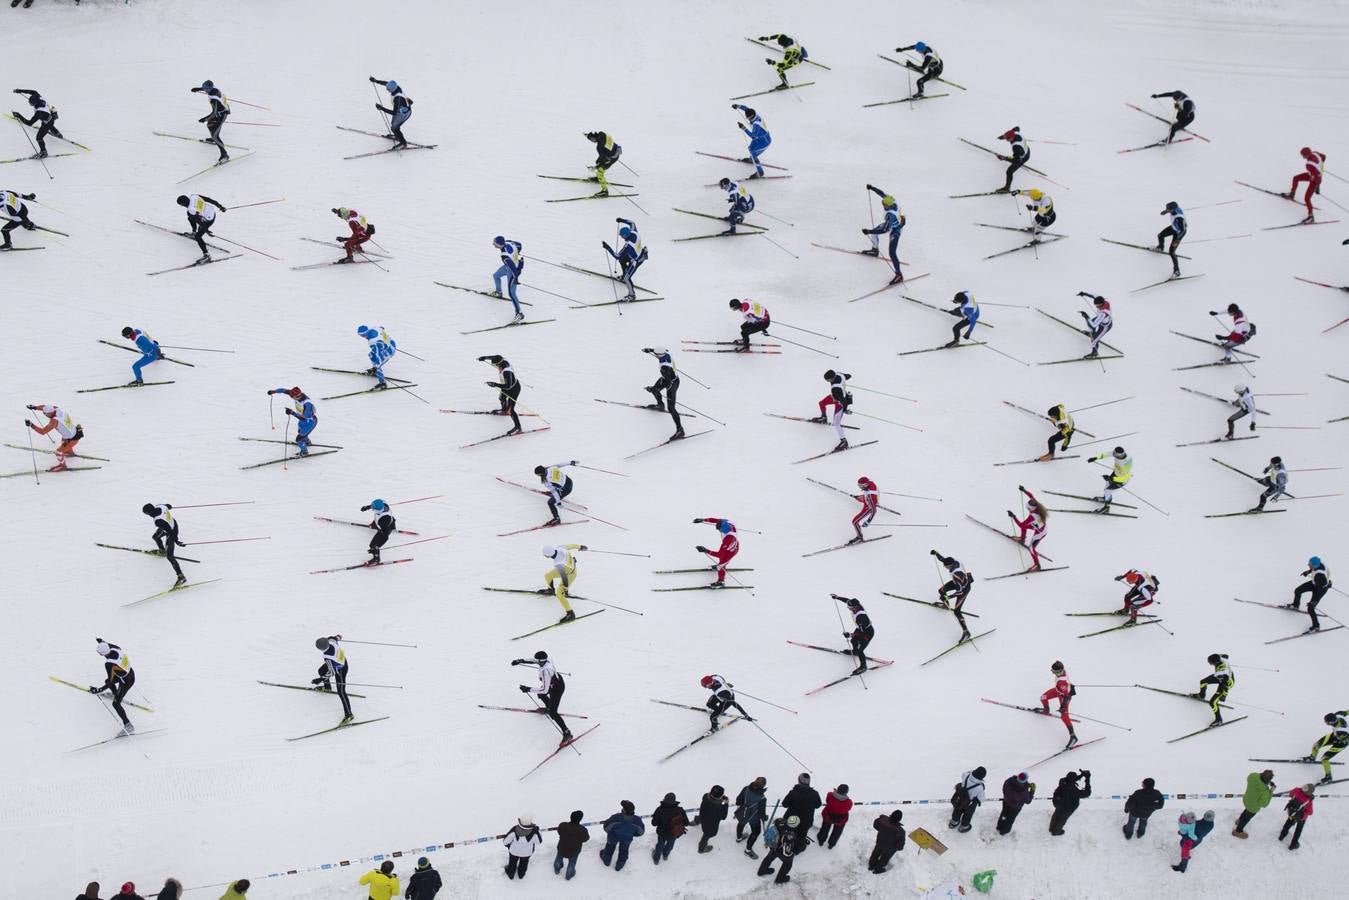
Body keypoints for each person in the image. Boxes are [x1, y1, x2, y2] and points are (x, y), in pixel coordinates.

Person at [518, 649, 572, 741]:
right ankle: (549, 707)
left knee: (553, 713)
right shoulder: (547, 659)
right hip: (555, 682)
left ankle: (567, 733)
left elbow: (544, 690)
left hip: (557, 689)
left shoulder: (545, 671)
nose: (535, 661)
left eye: (537, 660)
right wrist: (521, 660)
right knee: (541, 695)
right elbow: (534, 660)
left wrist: (528, 689)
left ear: (541, 661)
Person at [90, 638, 136, 733]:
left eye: (99, 653)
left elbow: (110, 682)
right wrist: (101, 641)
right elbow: (107, 644)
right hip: (130, 673)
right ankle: (116, 694)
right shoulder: (115, 648)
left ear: (102, 654)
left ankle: (128, 725)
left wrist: (99, 690)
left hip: (126, 681)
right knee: (107, 680)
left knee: (115, 704)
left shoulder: (109, 664)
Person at [862, 185, 905, 281]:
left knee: (892, 252)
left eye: (884, 205)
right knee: (874, 233)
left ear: (888, 205)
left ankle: (899, 275)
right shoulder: (891, 200)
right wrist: (872, 188)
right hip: (892, 224)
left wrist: (869, 231)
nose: (883, 205)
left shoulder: (890, 215)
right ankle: (875, 250)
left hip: (895, 229)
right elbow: (881, 193)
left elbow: (885, 229)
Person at [24, 403, 83, 471]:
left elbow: (43, 432)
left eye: (45, 414)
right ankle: (69, 452)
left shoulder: (54, 421)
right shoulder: (57, 409)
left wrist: (31, 425)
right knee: (63, 441)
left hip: (72, 439)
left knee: (58, 452)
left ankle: (63, 466)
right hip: (75, 431)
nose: (45, 415)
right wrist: (35, 407)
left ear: (49, 413)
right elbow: (44, 407)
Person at [932, 550, 975, 641]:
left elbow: (960, 591)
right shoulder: (955, 561)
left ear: (950, 565)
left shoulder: (956, 574)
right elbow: (944, 559)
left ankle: (966, 632)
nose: (944, 566)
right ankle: (945, 605)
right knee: (941, 590)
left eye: (945, 566)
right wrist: (936, 553)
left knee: (957, 611)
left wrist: (948, 597)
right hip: (959, 583)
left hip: (964, 589)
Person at [641, 347, 683, 440]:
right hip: (667, 378)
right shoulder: (667, 352)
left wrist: (651, 389)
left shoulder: (665, 367)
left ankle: (680, 430)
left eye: (656, 354)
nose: (655, 354)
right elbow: (663, 350)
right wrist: (650, 350)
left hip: (672, 383)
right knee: (655, 389)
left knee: (671, 408)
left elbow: (668, 381)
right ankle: (660, 405)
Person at [142, 501, 186, 586]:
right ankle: (162, 551)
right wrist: (168, 508)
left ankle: (181, 577)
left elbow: (169, 531)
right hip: (170, 524)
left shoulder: (157, 520)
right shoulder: (160, 506)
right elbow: (169, 505)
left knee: (170, 556)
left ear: (149, 513)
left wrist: (176, 541)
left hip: (172, 531)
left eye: (146, 514)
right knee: (155, 537)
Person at [603, 218, 647, 301]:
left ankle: (632, 295)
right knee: (622, 260)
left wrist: (608, 248)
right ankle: (623, 276)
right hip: (638, 253)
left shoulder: (629, 246)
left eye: (621, 235)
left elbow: (617, 256)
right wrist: (621, 220)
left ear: (625, 235)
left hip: (636, 260)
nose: (620, 237)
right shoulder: (634, 232)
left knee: (627, 278)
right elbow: (632, 223)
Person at [540, 545, 586, 624]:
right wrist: (580, 547)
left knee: (559, 594)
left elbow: (564, 578)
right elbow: (571, 545)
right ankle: (550, 590)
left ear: (547, 556)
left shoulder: (558, 563)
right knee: (548, 575)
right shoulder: (560, 547)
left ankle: (570, 614)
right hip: (566, 568)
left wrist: (564, 589)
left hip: (570, 574)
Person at [12, 88, 64, 157]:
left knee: (39, 138)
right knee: (47, 122)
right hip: (51, 116)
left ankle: (43, 152)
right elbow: (32, 92)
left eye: (30, 103)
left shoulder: (39, 112)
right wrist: (20, 91)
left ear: (34, 103)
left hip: (47, 122)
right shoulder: (39, 97)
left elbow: (29, 123)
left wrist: (19, 116)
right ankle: (57, 133)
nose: (29, 103)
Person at [757, 813, 806, 884]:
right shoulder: (795, 833)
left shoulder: (780, 823)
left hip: (773, 846)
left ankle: (762, 871)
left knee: (768, 858)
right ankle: (780, 878)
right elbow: (799, 848)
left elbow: (776, 822)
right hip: (784, 852)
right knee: (787, 864)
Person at [267, 386, 318, 456]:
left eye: (292, 396)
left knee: (299, 439)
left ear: (297, 396)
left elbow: (304, 418)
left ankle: (304, 452)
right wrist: (274, 391)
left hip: (309, 422)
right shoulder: (295, 394)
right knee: (300, 432)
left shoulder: (307, 404)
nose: (291, 397)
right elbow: (283, 390)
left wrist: (292, 412)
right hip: (303, 420)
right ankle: (307, 442)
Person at [478, 354, 522, 434]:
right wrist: (485, 357)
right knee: (502, 398)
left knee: (511, 410)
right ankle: (504, 410)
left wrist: (494, 384)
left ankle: (518, 427)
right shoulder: (502, 361)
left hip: (514, 389)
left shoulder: (506, 372)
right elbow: (495, 357)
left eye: (495, 365)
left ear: (499, 364)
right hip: (506, 386)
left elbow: (509, 386)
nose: (496, 367)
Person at [1008, 485, 1049, 572]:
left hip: (1039, 533)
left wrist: (1013, 516)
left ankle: (1037, 565)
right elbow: (1031, 496)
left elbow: (1021, 525)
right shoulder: (1036, 504)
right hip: (1038, 527)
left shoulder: (1033, 516)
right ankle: (1022, 539)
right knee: (1025, 526)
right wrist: (1024, 490)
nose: (1028, 510)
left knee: (1031, 548)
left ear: (1031, 509)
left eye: (1028, 509)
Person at [313, 635, 353, 722]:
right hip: (339, 662)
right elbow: (335, 638)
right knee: (321, 670)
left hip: (341, 669)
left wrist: (320, 679)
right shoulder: (331, 641)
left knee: (341, 692)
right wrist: (338, 637)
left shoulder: (327, 657)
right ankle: (327, 687)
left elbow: (332, 672)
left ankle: (349, 714)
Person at [1039, 660, 1077, 747]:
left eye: (1055, 672)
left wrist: (1063, 707)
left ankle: (1073, 736)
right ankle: (1046, 710)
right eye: (1053, 672)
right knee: (1043, 697)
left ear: (1060, 671)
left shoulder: (1061, 682)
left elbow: (1067, 696)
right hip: (1058, 691)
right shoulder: (1061, 673)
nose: (1054, 674)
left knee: (1064, 716)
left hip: (1064, 697)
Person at [190, 79, 230, 162]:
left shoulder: (214, 99)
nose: (204, 90)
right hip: (221, 111)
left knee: (215, 135)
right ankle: (213, 139)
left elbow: (214, 113)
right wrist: (198, 89)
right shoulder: (213, 88)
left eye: (205, 89)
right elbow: (207, 88)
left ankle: (224, 155)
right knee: (210, 125)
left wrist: (204, 119)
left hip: (221, 115)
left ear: (209, 89)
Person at [176, 193, 224, 261]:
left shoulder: (191, 210)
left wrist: (206, 231)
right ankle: (194, 232)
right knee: (190, 218)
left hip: (208, 220)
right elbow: (209, 199)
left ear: (183, 204)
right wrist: (220, 206)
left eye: (181, 205)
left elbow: (200, 222)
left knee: (198, 236)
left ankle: (206, 255)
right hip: (212, 212)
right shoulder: (194, 196)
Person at [599, 800, 645, 871]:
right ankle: (620, 865)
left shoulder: (616, 817)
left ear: (624, 810)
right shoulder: (637, 820)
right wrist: (632, 834)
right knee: (624, 850)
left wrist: (610, 832)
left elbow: (606, 827)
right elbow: (641, 832)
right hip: (627, 838)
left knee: (609, 848)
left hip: (613, 837)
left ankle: (606, 860)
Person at [814, 369, 853, 452]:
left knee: (836, 423)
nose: (827, 381)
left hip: (840, 403)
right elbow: (848, 376)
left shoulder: (836, 389)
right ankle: (824, 417)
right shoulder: (839, 374)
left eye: (827, 380)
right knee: (822, 403)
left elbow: (843, 401)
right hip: (836, 397)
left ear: (831, 378)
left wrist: (845, 410)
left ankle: (844, 441)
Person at [692, 517, 738, 587]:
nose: (719, 530)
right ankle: (721, 566)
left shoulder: (728, 539)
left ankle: (721, 582)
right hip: (733, 546)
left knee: (721, 566)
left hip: (730, 552)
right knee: (722, 562)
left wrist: (706, 550)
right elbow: (716, 520)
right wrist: (703, 520)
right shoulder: (728, 523)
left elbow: (720, 554)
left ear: (723, 529)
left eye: (719, 529)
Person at [835, 595, 875, 675]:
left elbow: (861, 633)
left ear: (855, 607)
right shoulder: (856, 606)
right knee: (853, 640)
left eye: (850, 608)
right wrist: (837, 597)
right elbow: (847, 600)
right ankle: (854, 651)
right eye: (849, 607)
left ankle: (863, 666)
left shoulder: (861, 617)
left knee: (861, 650)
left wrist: (850, 634)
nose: (849, 609)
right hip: (860, 629)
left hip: (867, 633)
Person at [1285, 147, 1326, 222]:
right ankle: (1292, 194)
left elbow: (1316, 176)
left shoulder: (1309, 165)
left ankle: (1311, 217)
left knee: (1307, 198)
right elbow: (1324, 156)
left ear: (1307, 155)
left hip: (1314, 180)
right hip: (1313, 175)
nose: (1302, 157)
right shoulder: (1315, 153)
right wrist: (1321, 168)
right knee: (1295, 178)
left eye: (1303, 155)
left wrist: (1317, 186)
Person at [370, 77, 413, 149]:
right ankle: (397, 136)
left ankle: (403, 143)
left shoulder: (397, 99)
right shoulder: (396, 87)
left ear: (392, 89)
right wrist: (376, 81)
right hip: (400, 111)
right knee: (394, 125)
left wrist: (382, 108)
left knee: (395, 128)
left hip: (404, 113)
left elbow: (394, 113)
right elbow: (386, 83)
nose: (387, 90)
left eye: (388, 89)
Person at [1087, 446, 1133, 513]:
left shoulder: (1126, 463)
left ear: (1120, 455)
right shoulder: (1117, 454)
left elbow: (1125, 477)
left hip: (1121, 480)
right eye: (1114, 453)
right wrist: (1096, 458)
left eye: (1115, 454)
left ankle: (1106, 508)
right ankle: (1105, 498)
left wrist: (1111, 478)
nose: (1114, 455)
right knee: (1107, 484)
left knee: (1107, 491)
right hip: (1115, 473)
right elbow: (1107, 454)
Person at [1233, 769, 1275, 838]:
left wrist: (1265, 779)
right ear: (1267, 780)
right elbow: (1264, 804)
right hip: (1253, 807)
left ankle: (1239, 821)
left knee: (1246, 810)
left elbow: (1257, 777)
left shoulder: (1253, 776)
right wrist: (1270, 792)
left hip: (1247, 800)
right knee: (1246, 818)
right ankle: (1238, 831)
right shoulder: (1264, 791)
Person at [491, 235, 525, 320]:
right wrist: (516, 253)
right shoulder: (509, 242)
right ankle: (499, 292)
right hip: (508, 267)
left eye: (495, 243)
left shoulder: (504, 256)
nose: (493, 244)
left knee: (512, 293)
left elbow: (513, 267)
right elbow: (519, 245)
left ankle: (519, 313)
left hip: (513, 272)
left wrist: (516, 278)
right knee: (496, 276)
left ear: (499, 245)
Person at [732, 105, 772, 177]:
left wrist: (743, 128)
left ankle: (760, 172)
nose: (748, 119)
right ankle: (751, 160)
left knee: (753, 154)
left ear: (752, 116)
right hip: (760, 138)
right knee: (750, 148)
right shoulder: (755, 114)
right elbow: (746, 109)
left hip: (764, 142)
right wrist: (737, 106)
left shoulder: (756, 125)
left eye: (748, 118)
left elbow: (753, 136)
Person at [650, 792, 689, 864]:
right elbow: (686, 823)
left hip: (662, 833)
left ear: (664, 799)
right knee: (670, 844)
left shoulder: (659, 810)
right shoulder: (680, 810)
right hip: (674, 833)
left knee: (660, 845)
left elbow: (653, 823)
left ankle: (656, 859)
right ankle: (665, 855)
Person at [1196, 652, 1235, 726]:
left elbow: (1224, 685)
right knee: (1203, 682)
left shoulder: (1222, 673)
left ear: (1216, 662)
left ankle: (1218, 719)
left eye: (1211, 663)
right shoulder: (1221, 658)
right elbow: (1226, 655)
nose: (1210, 664)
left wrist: (1224, 695)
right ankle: (1201, 695)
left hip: (1226, 682)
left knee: (1212, 702)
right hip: (1221, 677)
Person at [1049, 769, 1091, 835]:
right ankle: (1056, 832)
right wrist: (1087, 779)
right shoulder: (1075, 791)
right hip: (1069, 807)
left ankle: (1051, 828)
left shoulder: (1062, 783)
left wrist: (1081, 775)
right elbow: (1087, 793)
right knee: (1062, 819)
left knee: (1056, 816)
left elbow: (1070, 779)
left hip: (1059, 803)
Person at [734, 776, 769, 857]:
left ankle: (739, 838)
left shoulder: (746, 788)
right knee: (756, 832)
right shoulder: (762, 798)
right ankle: (747, 850)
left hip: (744, 813)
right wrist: (764, 818)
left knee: (741, 823)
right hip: (754, 818)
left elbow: (738, 801)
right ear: (763, 786)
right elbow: (761, 813)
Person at [356, 324, 397, 390]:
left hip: (388, 351)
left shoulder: (373, 341)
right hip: (391, 343)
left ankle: (382, 383)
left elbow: (379, 354)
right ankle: (374, 370)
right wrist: (385, 340)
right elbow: (382, 328)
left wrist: (376, 367)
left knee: (377, 363)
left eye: (361, 335)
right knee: (371, 355)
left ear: (364, 334)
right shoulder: (375, 328)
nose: (362, 337)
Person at [1310, 710, 1347, 783]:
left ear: (1331, 722)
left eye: (1326, 721)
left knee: (1324, 759)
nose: (1324, 722)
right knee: (1316, 745)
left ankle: (1328, 777)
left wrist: (1337, 740)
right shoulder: (1338, 714)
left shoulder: (1341, 730)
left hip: (1342, 742)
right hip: (1336, 735)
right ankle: (1312, 757)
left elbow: (1341, 738)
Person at [552, 810, 589, 879]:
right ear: (580, 819)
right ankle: (569, 874)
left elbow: (559, 831)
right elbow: (586, 839)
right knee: (572, 863)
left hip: (562, 847)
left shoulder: (563, 825)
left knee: (559, 859)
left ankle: (557, 869)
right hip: (574, 851)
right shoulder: (582, 830)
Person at [949, 766, 986, 833]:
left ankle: (954, 823)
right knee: (967, 815)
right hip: (969, 804)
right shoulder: (979, 787)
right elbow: (982, 799)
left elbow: (965, 772)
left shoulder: (966, 775)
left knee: (957, 810)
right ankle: (964, 826)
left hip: (960, 798)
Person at [1279, 784, 1315, 849]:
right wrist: (1311, 799)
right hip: (1301, 817)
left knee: (1288, 823)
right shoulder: (1308, 800)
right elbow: (1310, 812)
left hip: (1292, 813)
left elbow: (1291, 793)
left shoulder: (1296, 790)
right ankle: (1293, 844)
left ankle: (1282, 835)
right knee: (1298, 830)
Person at [1156, 201, 1187, 277]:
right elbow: (1169, 210)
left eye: (1169, 210)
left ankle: (1177, 271)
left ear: (1173, 209)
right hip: (1174, 228)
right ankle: (1160, 247)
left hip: (1179, 233)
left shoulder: (1179, 218)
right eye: (1167, 209)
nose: (1168, 210)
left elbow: (1183, 230)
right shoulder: (1173, 209)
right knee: (1160, 235)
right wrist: (1165, 212)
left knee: (1171, 252)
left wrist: (1177, 240)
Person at [1078, 293, 1113, 359]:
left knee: (1094, 340)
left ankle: (1094, 353)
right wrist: (1084, 294)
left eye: (1097, 305)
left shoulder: (1103, 313)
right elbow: (1094, 296)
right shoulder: (1103, 300)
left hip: (1105, 327)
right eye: (1095, 304)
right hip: (1100, 320)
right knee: (1090, 325)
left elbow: (1094, 325)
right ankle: (1092, 333)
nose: (1096, 306)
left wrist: (1086, 316)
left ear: (1101, 304)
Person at [817, 784, 853, 849]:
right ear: (846, 792)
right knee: (837, 832)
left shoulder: (830, 795)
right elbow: (849, 808)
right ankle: (831, 844)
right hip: (841, 820)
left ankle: (821, 840)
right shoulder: (849, 802)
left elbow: (828, 800)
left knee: (825, 828)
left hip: (828, 816)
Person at [360, 499, 395, 564]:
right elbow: (377, 504)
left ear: (377, 510)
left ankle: (376, 559)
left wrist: (376, 546)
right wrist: (367, 507)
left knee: (372, 545)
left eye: (373, 508)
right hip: (381, 522)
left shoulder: (384, 520)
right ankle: (374, 525)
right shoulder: (383, 503)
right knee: (376, 522)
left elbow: (385, 535)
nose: (372, 509)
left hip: (385, 529)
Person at [696, 785, 729, 853]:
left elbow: (712, 800)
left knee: (700, 817)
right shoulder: (719, 808)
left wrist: (720, 799)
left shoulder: (705, 796)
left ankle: (696, 821)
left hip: (703, 816)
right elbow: (723, 817)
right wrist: (726, 804)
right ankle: (701, 848)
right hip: (709, 826)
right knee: (707, 834)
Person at [997, 126, 1029, 192]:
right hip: (1027, 150)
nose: (1006, 140)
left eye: (1007, 139)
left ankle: (1007, 188)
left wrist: (1004, 158)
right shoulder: (1015, 132)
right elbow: (1017, 127)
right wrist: (1003, 136)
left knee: (1009, 171)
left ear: (1012, 137)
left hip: (1023, 157)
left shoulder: (1016, 147)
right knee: (1014, 159)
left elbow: (1016, 160)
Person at [850, 476, 879, 545]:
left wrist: (868, 521)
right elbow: (867, 495)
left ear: (866, 485)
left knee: (855, 522)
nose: (859, 487)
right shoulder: (870, 483)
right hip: (869, 500)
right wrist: (858, 497)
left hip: (868, 508)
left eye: (860, 485)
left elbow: (874, 510)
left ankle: (859, 537)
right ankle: (859, 497)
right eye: (858, 485)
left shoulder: (870, 497)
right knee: (858, 497)